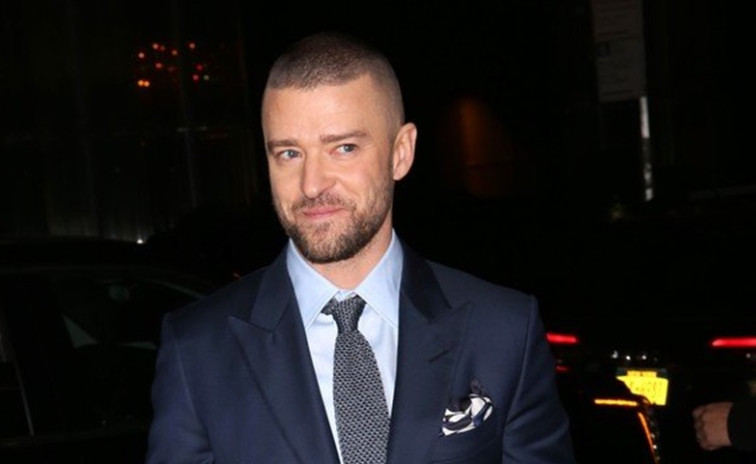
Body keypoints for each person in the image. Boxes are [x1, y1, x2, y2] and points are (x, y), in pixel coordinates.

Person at [146, 30, 575, 464]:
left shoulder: (503, 332)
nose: (312, 184)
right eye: (289, 153)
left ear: (400, 153)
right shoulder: (196, 349)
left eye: (343, 148)